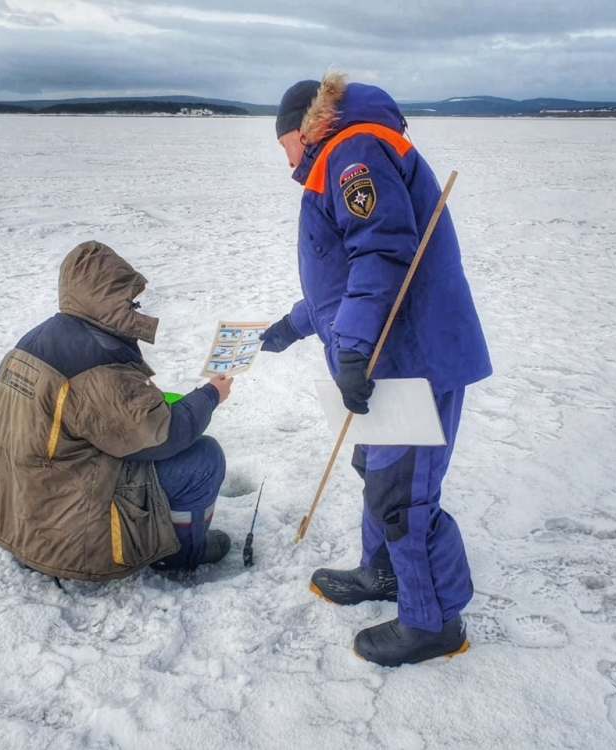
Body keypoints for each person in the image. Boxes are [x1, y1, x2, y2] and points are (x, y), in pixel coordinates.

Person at [261, 72, 492, 666]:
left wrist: (356, 349)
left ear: (298, 131)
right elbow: (342, 276)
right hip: (386, 355)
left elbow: (382, 249)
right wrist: (294, 326)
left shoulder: (351, 151)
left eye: (280, 142)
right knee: (379, 470)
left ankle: (434, 621)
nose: (281, 156)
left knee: (404, 495)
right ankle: (385, 573)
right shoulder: (342, 154)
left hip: (409, 357)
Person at [0, 240, 234, 582]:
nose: (133, 306)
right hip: (68, 536)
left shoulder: (32, 341)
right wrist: (210, 396)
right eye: (127, 299)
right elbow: (163, 435)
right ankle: (180, 553)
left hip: (24, 519)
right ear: (106, 298)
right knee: (204, 458)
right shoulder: (95, 359)